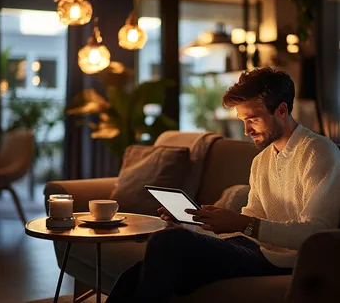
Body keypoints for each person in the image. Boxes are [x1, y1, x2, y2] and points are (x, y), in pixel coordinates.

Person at [106, 67, 340, 303]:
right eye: (243, 121)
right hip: (252, 248)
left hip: (285, 260)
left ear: (281, 110)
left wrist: (243, 223)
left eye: (253, 120)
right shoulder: (262, 160)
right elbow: (252, 218)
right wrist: (195, 224)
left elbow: (315, 233)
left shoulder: (319, 152)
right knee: (136, 273)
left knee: (166, 244)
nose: (247, 130)